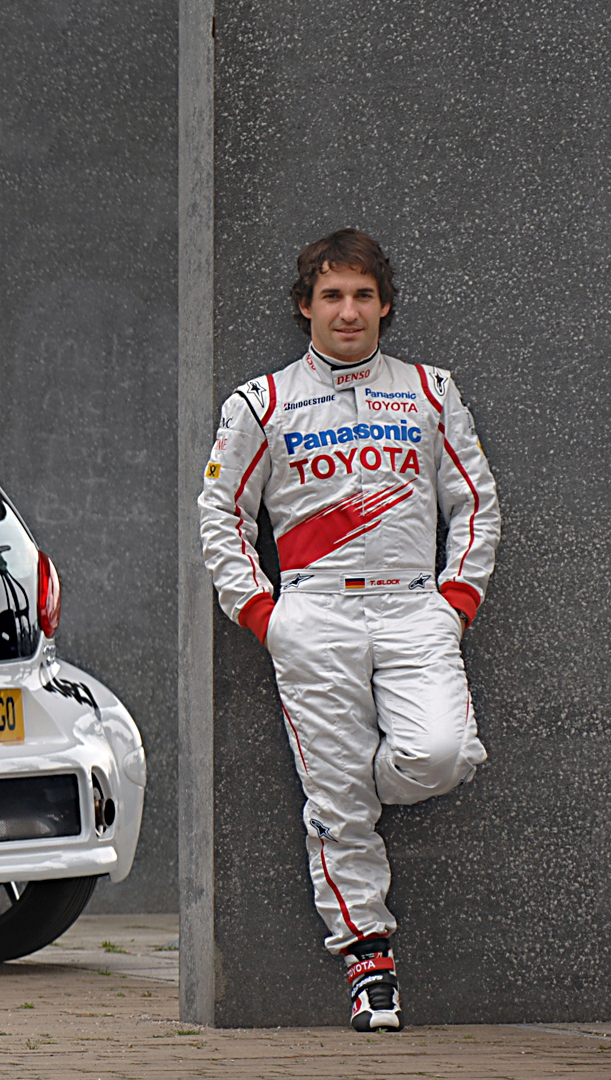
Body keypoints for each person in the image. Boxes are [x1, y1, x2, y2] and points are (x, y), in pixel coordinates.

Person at [198, 228, 500, 1032]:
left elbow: (475, 503)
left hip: (413, 608)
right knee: (333, 797)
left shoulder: (432, 393)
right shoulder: (258, 403)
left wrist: (456, 598)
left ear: (385, 305)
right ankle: (367, 958)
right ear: (306, 307)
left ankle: (350, 796)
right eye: (331, 294)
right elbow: (222, 515)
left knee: (441, 754)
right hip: (313, 613)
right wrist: (262, 613)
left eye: (362, 294)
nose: (348, 309)